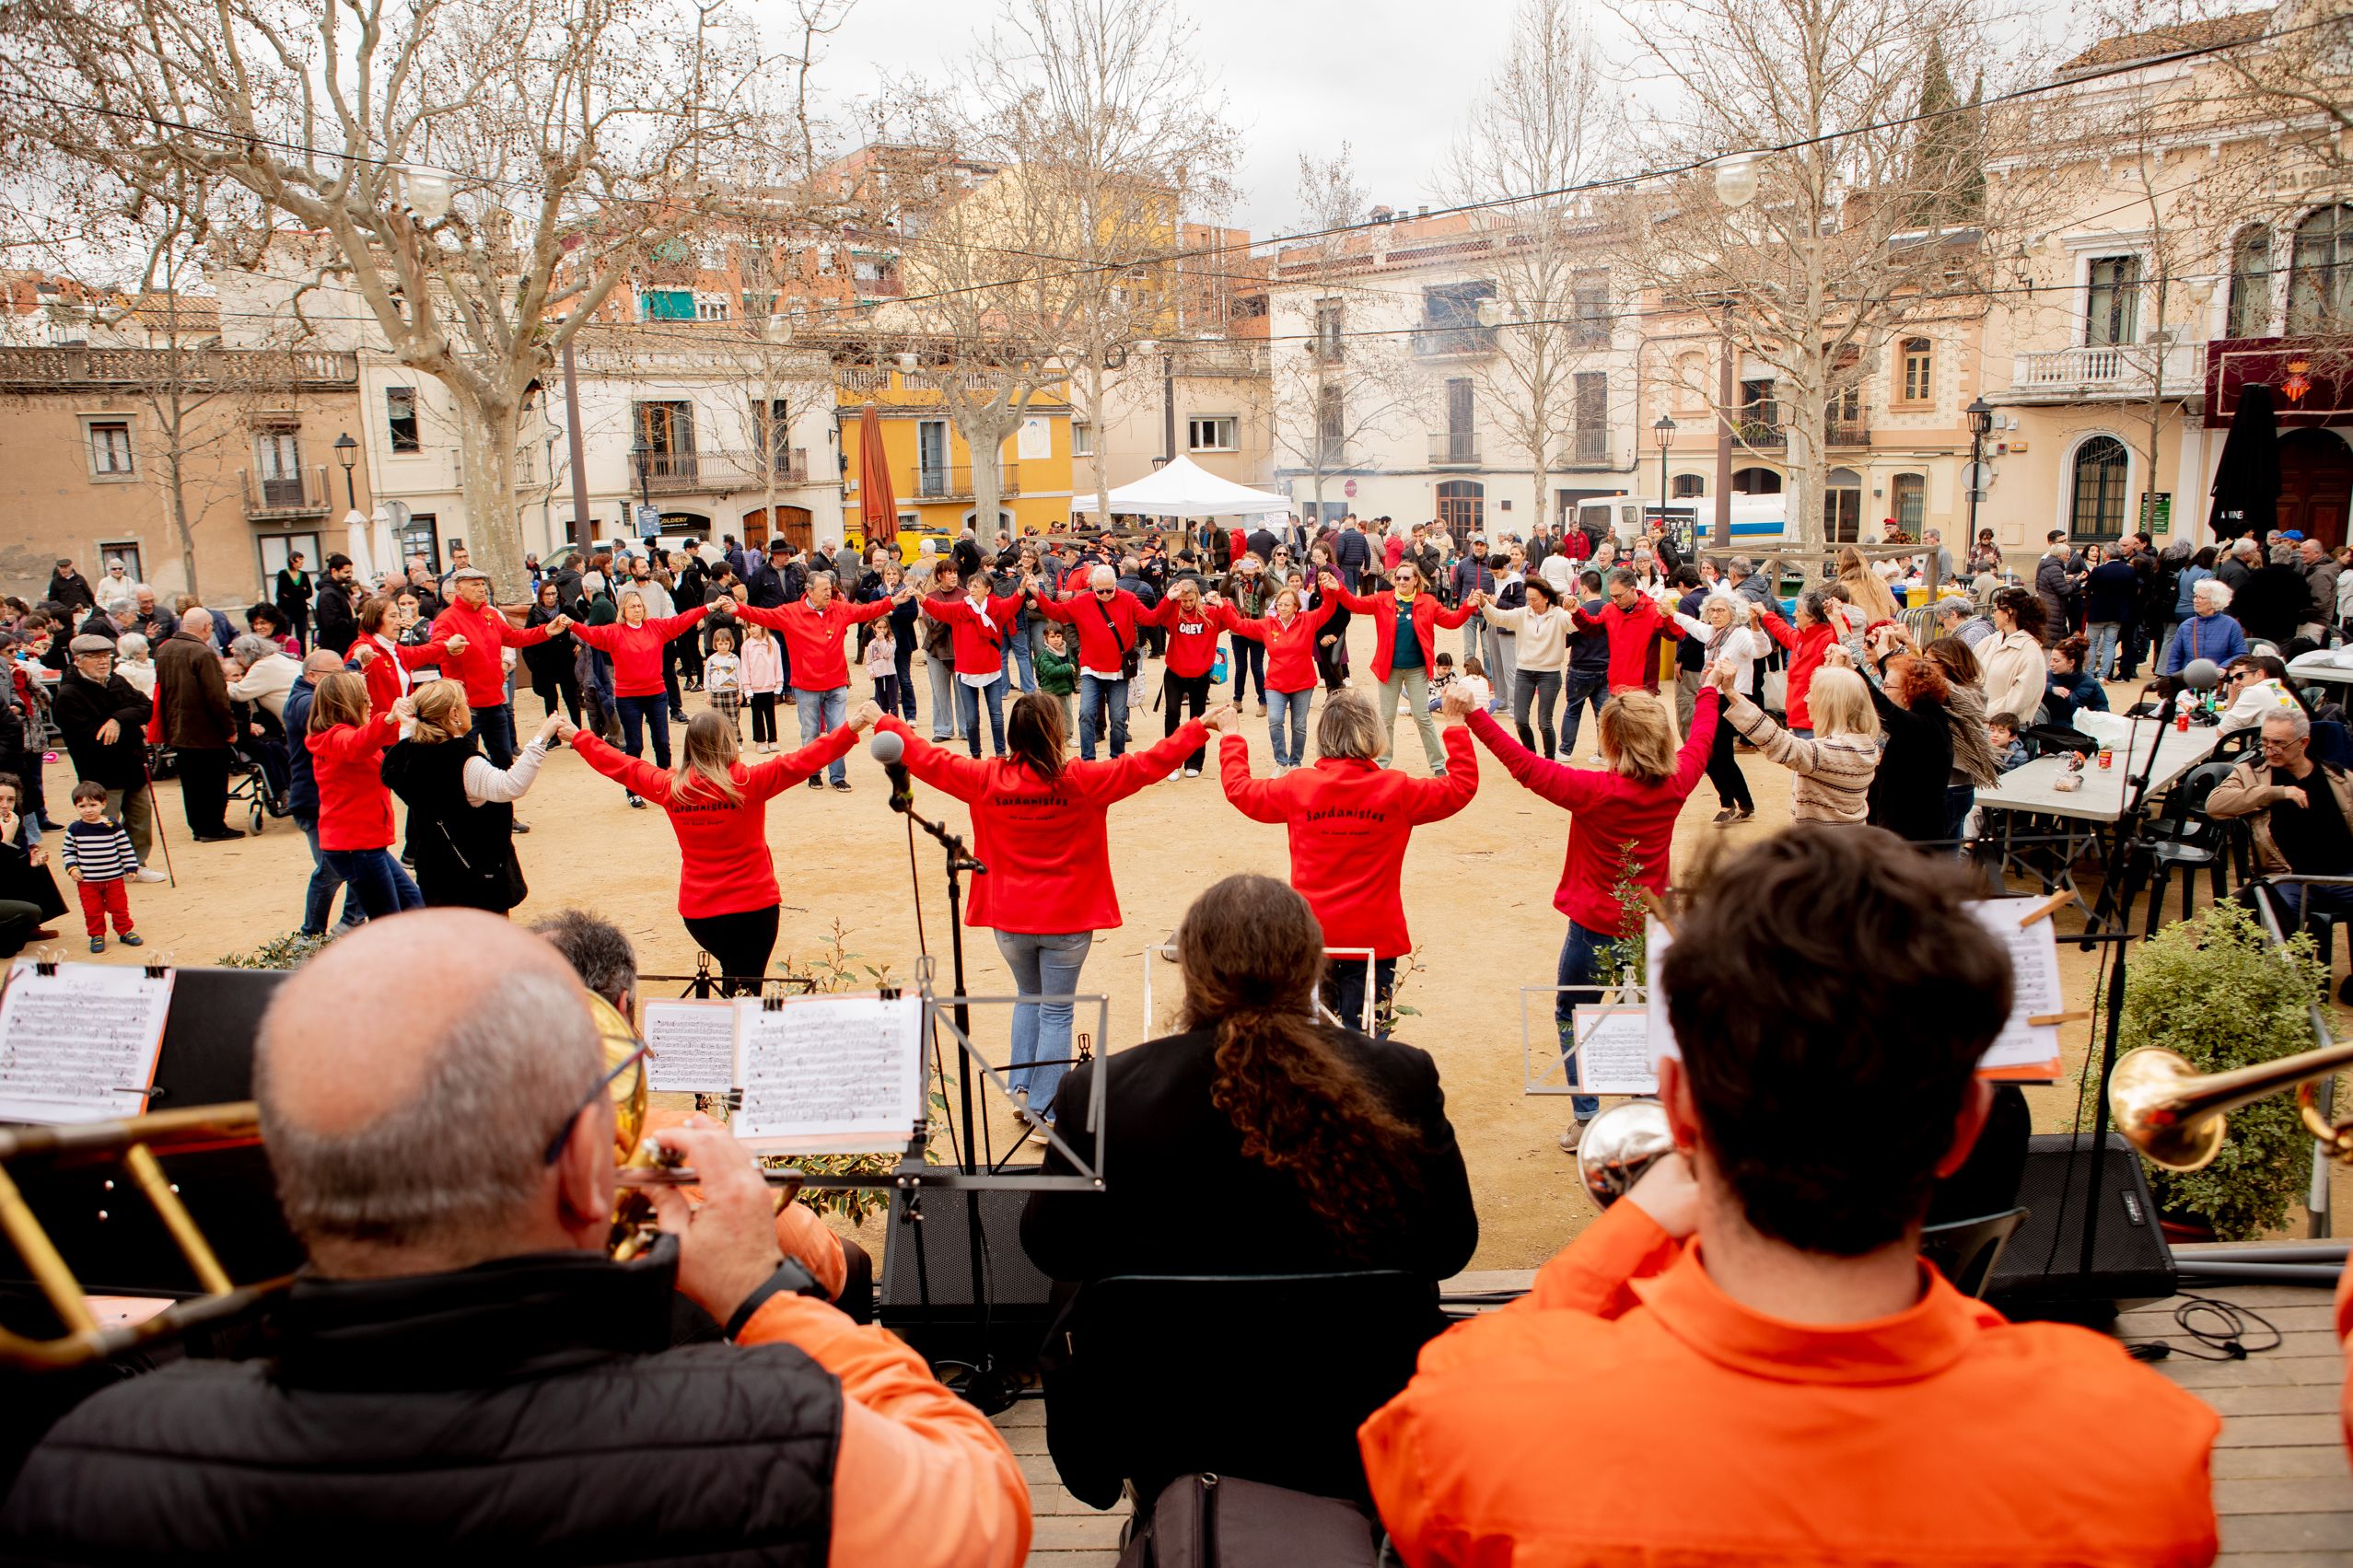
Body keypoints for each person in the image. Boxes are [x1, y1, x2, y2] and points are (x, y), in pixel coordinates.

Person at [1, 911, 1030, 1564]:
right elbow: (984, 1496)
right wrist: (761, 1290)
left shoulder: (93, 1462)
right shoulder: (781, 1434)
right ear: (589, 1161)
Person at [1358, 826, 2222, 1568]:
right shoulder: (2139, 1446)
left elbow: (1438, 1439)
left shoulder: (1475, 1413)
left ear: (1681, 1104)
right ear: (1965, 1127)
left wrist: (1631, 1226)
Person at [1020, 873, 1478, 1508]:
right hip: (1353, 1399)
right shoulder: (1397, 1073)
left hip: (1169, 1412)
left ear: (1191, 969)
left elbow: (1053, 1249)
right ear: (1312, 966)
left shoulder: (1102, 1088)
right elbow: (1450, 1246)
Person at [878, 694, 1212, 1112]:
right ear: (1056, 732)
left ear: (1012, 734)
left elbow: (927, 758)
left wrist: (885, 721)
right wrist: (1199, 726)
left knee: (1028, 997)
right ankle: (1044, 1107)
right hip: (1067, 920)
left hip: (1010, 919)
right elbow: (1146, 764)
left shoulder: (985, 778)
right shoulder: (1082, 780)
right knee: (1056, 1011)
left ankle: (1021, 1092)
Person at [1469, 684, 1719, 1148]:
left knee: (1574, 1011)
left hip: (1592, 925)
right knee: (1646, 1014)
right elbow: (1702, 736)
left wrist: (1475, 716)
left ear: (1611, 742)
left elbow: (1526, 766)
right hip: (1651, 923)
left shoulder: (1594, 791)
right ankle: (1645, 1106)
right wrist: (1709, 688)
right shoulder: (1678, 780)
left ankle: (1587, 1115)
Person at [1215, 687, 1478, 1030]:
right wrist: (1456, 723)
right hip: (1375, 936)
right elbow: (1461, 786)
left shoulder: (1298, 786)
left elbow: (1240, 790)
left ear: (1324, 735)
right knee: (1366, 1041)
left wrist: (1232, 737)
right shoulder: (1397, 789)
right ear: (1373, 734)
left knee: (1310, 1039)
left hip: (1312, 935)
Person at [565, 706, 875, 988]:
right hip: (754, 907)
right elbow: (803, 761)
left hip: (701, 913)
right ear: (727, 742)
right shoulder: (746, 783)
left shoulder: (670, 787)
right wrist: (852, 727)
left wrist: (578, 736)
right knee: (746, 986)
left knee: (734, 975)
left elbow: (620, 765)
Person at [381, 681, 558, 912]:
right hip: (476, 877)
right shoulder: (463, 761)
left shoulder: (408, 757)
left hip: (434, 873)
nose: (469, 709)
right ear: (454, 713)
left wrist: (407, 724)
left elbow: (407, 741)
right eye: (465, 705)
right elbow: (510, 786)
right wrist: (541, 738)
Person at [728, 570, 904, 792]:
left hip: (836, 682)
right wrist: (739, 609)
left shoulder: (839, 609)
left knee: (839, 731)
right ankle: (813, 773)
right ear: (809, 592)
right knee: (810, 731)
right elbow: (763, 616)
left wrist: (891, 602)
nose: (828, 593)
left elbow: (865, 611)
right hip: (806, 685)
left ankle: (838, 776)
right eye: (823, 590)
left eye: (830, 589)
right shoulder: (791, 613)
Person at [567, 592, 725, 804]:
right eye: (632, 607)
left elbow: (681, 620)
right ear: (623, 610)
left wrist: (708, 608)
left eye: (640, 606)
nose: (637, 610)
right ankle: (633, 791)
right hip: (628, 697)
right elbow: (591, 634)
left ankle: (667, 784)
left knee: (662, 742)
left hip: (656, 694)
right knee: (634, 745)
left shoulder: (655, 627)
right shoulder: (615, 632)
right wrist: (572, 625)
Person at [1322, 563, 1479, 773]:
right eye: (1398, 578)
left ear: (1416, 580)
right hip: (1389, 669)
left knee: (1423, 717)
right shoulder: (1382, 600)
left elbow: (1452, 621)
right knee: (1386, 718)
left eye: (1406, 578)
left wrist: (1467, 606)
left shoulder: (1428, 602)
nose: (1402, 582)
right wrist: (1338, 588)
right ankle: (1382, 763)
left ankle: (1438, 765)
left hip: (1417, 670)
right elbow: (1355, 604)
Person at [2210, 706, 2353, 933]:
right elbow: (2215, 805)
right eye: (2265, 742)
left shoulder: (2338, 777)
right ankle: (2287, 968)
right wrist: (2277, 793)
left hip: (2344, 877)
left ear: (2303, 743)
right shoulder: (2252, 772)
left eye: (2279, 743)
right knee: (2271, 920)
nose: (2270, 750)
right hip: (2287, 878)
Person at [304, 672, 423, 919]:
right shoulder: (335, 738)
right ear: (346, 703)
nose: (370, 704)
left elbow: (376, 738)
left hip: (365, 844)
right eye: (365, 699)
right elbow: (358, 744)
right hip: (356, 846)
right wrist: (389, 718)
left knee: (414, 906)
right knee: (390, 921)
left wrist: (405, 717)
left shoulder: (341, 735)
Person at [429, 566, 567, 772]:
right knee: (465, 763)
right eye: (475, 584)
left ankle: (502, 802)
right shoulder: (447, 619)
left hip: (494, 702)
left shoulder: (490, 615)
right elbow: (438, 648)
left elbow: (513, 637)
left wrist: (545, 631)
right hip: (465, 706)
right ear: (459, 589)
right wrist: (447, 647)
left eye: (483, 584)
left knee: (503, 761)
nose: (481, 589)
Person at [1712, 657, 1880, 824]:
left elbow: (1775, 739)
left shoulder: (1827, 753)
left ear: (1830, 704)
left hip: (1823, 846)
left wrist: (1731, 692)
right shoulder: (1867, 746)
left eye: (1812, 693)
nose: (1806, 699)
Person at [51, 635, 163, 877]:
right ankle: (107, 867)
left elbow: (146, 707)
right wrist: (125, 721)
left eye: (106, 656)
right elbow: (91, 735)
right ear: (78, 661)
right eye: (95, 657)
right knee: (104, 822)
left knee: (140, 817)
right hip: (101, 769)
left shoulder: (117, 681)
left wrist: (118, 719)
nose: (103, 662)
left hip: (132, 762)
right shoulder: (69, 693)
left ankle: (136, 864)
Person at [1669, 594, 1769, 826]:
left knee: (1717, 753)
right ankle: (1743, 804)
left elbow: (1762, 650)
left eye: (1721, 610)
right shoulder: (1712, 634)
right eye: (1712, 610)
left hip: (1732, 697)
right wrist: (1671, 613)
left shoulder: (1741, 634)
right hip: (1712, 696)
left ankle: (1729, 804)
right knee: (1714, 753)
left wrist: (1755, 624)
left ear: (1733, 614)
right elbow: (1692, 625)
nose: (1715, 614)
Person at [1217, 581, 1337, 774]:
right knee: (1274, 721)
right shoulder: (1268, 624)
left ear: (1296, 606)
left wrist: (1328, 590)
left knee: (1299, 726)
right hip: (1275, 684)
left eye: (1287, 604)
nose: (1282, 608)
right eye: (1279, 604)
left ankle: (1295, 762)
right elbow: (1239, 624)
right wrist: (1223, 607)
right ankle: (1281, 762)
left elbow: (1328, 609)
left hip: (1303, 683)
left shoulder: (1308, 620)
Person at [154, 604, 242, 842]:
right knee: (213, 781)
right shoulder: (202, 653)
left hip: (177, 727)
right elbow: (217, 696)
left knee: (192, 783)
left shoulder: (164, 650)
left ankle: (199, 826)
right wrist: (229, 728)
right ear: (206, 627)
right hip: (205, 729)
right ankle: (213, 827)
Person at [919, 569, 1022, 761]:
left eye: (976, 586)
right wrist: (921, 597)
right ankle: (976, 754)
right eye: (970, 585)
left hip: (991, 669)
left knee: (996, 714)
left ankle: (1000, 751)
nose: (972, 589)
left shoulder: (997, 607)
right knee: (972, 719)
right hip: (966, 671)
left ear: (988, 589)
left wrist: (1022, 590)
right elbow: (939, 609)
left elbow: (1013, 603)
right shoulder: (960, 608)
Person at [1863, 635, 1957, 845]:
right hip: (1899, 828)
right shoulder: (1924, 713)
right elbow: (1895, 686)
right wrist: (1882, 658)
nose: (1884, 691)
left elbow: (1887, 711)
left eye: (1887, 688)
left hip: (1913, 834)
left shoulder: (1925, 723)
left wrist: (1856, 671)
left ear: (1910, 692)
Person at [1480, 576, 1573, 761]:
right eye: (1528, 599)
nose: (1530, 603)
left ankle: (1549, 760)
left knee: (1544, 722)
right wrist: (1484, 604)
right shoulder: (1523, 613)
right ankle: (1530, 756)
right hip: (1524, 671)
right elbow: (1499, 618)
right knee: (1520, 720)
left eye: (1534, 599)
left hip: (1550, 673)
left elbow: (1575, 625)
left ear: (1546, 597)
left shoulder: (1560, 615)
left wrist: (1575, 610)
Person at [1141, 576, 1224, 779]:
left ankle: (1194, 761)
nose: (1187, 604)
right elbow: (1154, 618)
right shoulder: (1173, 613)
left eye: (1190, 600)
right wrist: (1169, 599)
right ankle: (1171, 761)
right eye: (1183, 601)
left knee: (1197, 718)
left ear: (1197, 597)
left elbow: (1233, 621)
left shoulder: (1209, 614)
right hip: (1175, 673)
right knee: (1172, 714)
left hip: (1200, 674)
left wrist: (1222, 603)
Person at [1753, 588, 1853, 738]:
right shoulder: (1801, 637)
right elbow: (1783, 631)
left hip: (1815, 722)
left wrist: (1838, 617)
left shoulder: (1826, 639)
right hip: (1796, 720)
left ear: (1811, 617)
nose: (1794, 615)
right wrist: (1765, 614)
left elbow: (1843, 639)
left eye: (1798, 611)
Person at [59, 780, 143, 953]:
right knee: (92, 911)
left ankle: (125, 931)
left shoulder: (112, 825)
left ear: (103, 804)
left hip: (113, 878)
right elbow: (68, 851)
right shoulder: (75, 829)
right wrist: (72, 868)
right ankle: (96, 935)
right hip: (88, 881)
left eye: (93, 804)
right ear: (76, 807)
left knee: (119, 907)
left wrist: (130, 866)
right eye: (82, 806)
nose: (88, 810)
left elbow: (124, 847)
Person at [0, 773, 66, 950]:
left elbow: (9, 864)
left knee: (35, 868)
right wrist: (6, 839)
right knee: (28, 913)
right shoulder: (8, 827)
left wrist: (30, 863)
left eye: (11, 799)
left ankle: (31, 929)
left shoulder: (12, 820)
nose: (5, 805)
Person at [1981, 587, 2052, 725]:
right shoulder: (1989, 642)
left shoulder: (2030, 651)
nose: (1993, 615)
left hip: (2005, 732)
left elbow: (2017, 701)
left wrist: (1981, 713)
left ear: (2009, 612)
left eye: (1996, 610)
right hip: (1979, 726)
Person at [520, 581, 582, 725]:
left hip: (566, 661)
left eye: (554, 593)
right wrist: (534, 664)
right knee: (550, 700)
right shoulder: (534, 613)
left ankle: (576, 731)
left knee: (571, 698)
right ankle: (554, 735)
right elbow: (527, 637)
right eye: (547, 594)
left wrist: (580, 643)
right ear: (541, 596)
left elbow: (584, 625)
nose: (551, 597)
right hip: (545, 663)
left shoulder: (567, 609)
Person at [2162, 578, 2251, 675]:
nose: (2196, 601)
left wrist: (2223, 667)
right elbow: (2175, 658)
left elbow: (2240, 654)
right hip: (2190, 682)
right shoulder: (2186, 626)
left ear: (2215, 601)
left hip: (2217, 681)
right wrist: (2171, 681)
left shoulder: (2231, 625)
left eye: (2201, 597)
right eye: (2195, 596)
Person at [2084, 545, 2140, 680]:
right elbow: (2134, 591)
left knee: (2092, 643)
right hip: (2117, 613)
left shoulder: (2098, 570)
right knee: (2110, 644)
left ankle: (2090, 673)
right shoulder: (2129, 571)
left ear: (2106, 555)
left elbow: (2088, 589)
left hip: (2098, 612)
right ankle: (2104, 675)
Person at [2044, 633, 2110, 727]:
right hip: (2046, 732)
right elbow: (2028, 691)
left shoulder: (2091, 685)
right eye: (2050, 659)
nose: (2051, 664)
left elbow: (2103, 714)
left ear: (2071, 662)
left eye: (2056, 661)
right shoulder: (2045, 678)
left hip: (2078, 736)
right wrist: (2049, 688)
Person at [740, 620, 785, 754]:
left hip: (770, 686)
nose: (751, 630)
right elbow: (745, 668)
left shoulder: (772, 642)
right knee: (757, 715)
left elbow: (778, 663)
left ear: (761, 626)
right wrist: (746, 687)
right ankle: (760, 741)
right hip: (755, 688)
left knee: (770, 714)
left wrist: (779, 683)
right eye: (748, 628)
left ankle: (773, 739)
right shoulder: (746, 646)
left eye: (753, 626)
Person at [313, 552, 360, 655]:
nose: (350, 575)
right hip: (335, 648)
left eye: (351, 572)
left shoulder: (338, 590)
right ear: (334, 571)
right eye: (346, 572)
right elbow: (334, 624)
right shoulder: (328, 594)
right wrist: (357, 621)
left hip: (344, 645)